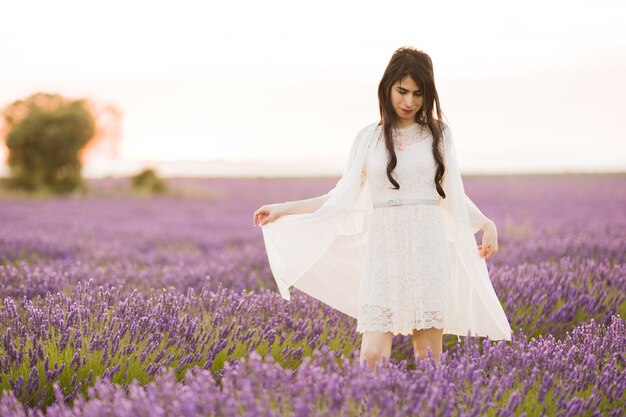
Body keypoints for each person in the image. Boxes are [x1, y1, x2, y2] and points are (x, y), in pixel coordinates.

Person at [253, 47, 511, 372]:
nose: (409, 101)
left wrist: (486, 223)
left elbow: (451, 194)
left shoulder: (439, 134)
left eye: (418, 93)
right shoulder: (368, 138)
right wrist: (284, 209)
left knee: (428, 359)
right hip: (384, 254)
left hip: (428, 250)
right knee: (372, 358)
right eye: (402, 91)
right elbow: (339, 198)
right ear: (388, 86)